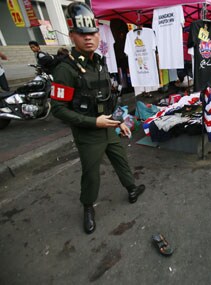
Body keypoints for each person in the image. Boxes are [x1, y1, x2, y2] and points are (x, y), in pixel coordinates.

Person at [50, 2, 145, 235]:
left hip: (108, 126)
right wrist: (94, 123)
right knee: (91, 173)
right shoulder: (65, 70)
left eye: (92, 33)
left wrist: (119, 121)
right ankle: (88, 207)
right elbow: (58, 109)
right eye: (82, 34)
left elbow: (108, 97)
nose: (89, 38)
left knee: (120, 159)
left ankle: (132, 188)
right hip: (88, 132)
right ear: (73, 36)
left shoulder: (100, 61)